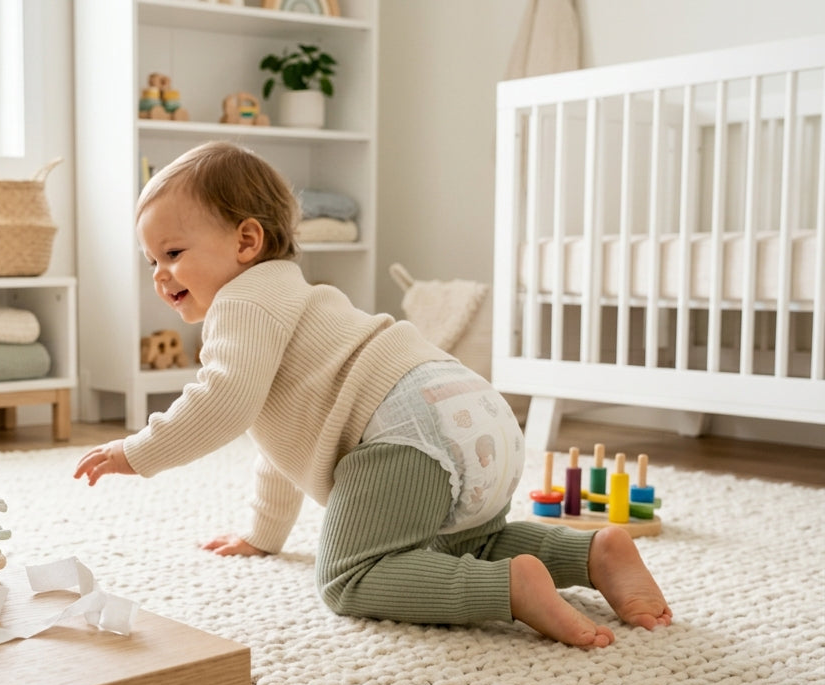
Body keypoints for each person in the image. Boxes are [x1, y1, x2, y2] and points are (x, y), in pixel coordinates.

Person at [73, 140, 671, 647]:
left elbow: (223, 402)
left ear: (246, 241)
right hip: (475, 412)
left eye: (173, 253)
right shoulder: (295, 295)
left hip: (405, 430)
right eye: (151, 260)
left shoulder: (241, 303)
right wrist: (263, 534)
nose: (160, 274)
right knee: (465, 540)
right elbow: (280, 442)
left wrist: (138, 450)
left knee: (349, 575)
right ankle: (593, 554)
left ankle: (507, 588)